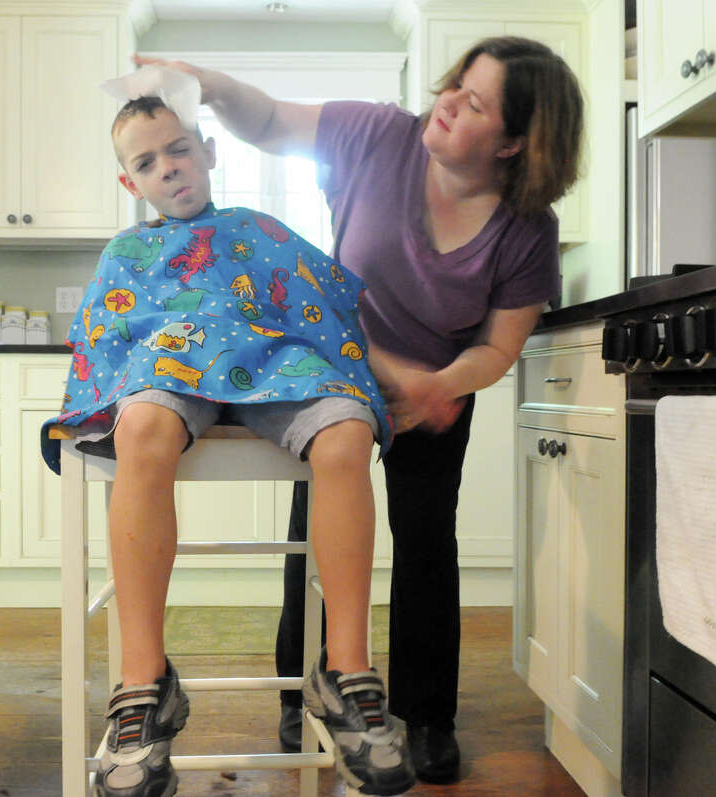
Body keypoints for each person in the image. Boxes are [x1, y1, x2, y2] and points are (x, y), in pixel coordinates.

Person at [136, 35, 583, 784]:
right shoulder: (380, 135)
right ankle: (298, 692)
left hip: (436, 383)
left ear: (513, 144)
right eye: (455, 85)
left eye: (474, 103)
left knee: (426, 537)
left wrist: (438, 385)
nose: (447, 102)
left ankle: (426, 714)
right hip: (333, 367)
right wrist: (207, 84)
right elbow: (272, 120)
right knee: (313, 533)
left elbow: (501, 344)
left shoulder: (527, 230)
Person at [42, 92, 418, 797]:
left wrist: (377, 377)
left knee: (346, 430)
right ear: (131, 183)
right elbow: (106, 345)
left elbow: (324, 310)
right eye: (148, 162)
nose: (170, 169)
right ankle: (143, 683)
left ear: (209, 151)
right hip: (169, 366)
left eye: (179, 149)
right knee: (141, 427)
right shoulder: (127, 252)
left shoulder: (259, 229)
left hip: (276, 364)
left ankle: (346, 672)